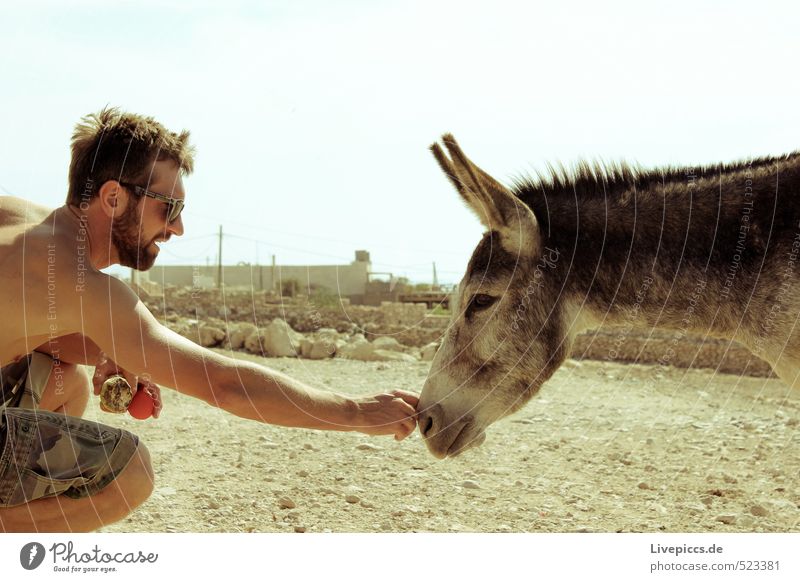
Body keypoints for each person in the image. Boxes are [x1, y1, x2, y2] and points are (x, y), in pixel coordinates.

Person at [0, 107, 418, 532]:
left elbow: (26, 324)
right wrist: (357, 412)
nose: (178, 228)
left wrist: (113, 346)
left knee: (64, 380)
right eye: (170, 207)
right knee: (128, 474)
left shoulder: (18, 217)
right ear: (113, 197)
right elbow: (225, 384)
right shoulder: (84, 285)